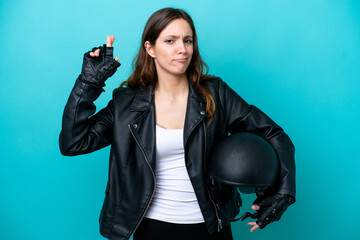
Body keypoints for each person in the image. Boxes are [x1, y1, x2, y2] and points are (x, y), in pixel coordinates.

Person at [59, 7, 295, 240]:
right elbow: (73, 143)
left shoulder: (216, 93)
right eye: (170, 41)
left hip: (211, 227)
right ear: (150, 49)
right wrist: (89, 82)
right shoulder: (127, 104)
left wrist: (283, 191)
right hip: (151, 228)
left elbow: (274, 134)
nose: (182, 49)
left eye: (188, 40)